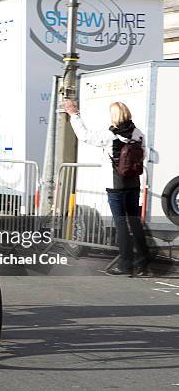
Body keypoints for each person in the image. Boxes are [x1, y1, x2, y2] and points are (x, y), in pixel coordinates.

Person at [64, 100, 152, 277]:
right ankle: (143, 263)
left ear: (113, 116)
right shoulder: (138, 133)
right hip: (134, 183)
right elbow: (145, 153)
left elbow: (85, 136)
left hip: (115, 184)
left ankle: (125, 265)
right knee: (135, 222)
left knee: (120, 224)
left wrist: (74, 115)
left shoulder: (110, 135)